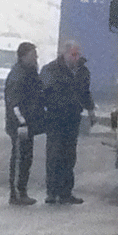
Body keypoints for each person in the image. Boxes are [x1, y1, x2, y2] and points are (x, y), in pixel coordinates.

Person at [39, 41, 94, 204]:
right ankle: (52, 191)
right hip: (56, 118)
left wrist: (90, 109)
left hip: (72, 119)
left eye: (77, 54)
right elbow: (44, 92)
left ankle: (66, 192)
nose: (76, 58)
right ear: (64, 54)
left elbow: (85, 92)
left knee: (69, 156)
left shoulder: (82, 71)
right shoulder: (50, 70)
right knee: (54, 155)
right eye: (73, 54)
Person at [3, 41, 43, 205]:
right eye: (33, 55)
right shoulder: (17, 75)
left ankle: (22, 191)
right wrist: (21, 123)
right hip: (20, 126)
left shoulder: (30, 73)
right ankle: (17, 194)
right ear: (23, 56)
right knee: (19, 158)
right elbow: (14, 103)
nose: (36, 58)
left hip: (28, 124)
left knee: (26, 158)